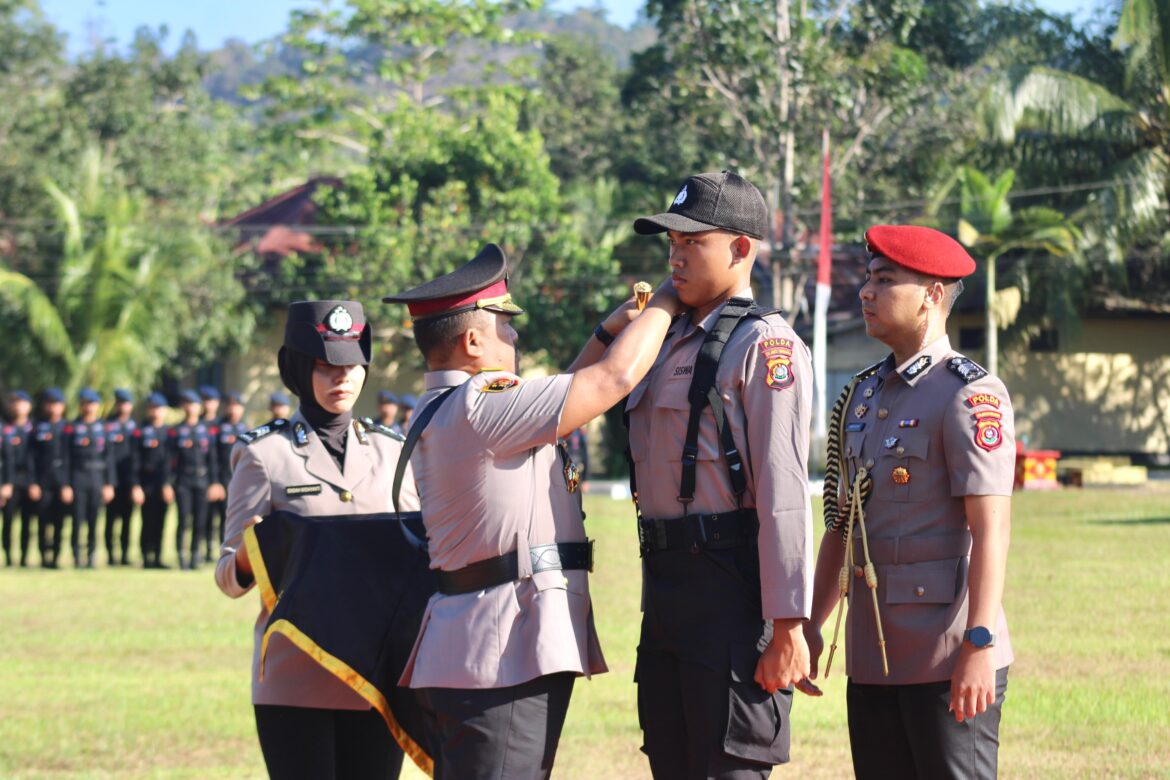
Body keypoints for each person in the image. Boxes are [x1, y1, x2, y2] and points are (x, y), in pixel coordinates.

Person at [384, 243, 682, 779]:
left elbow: (561, 405)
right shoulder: (484, 402)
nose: (515, 336)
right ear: (473, 340)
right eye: (504, 323)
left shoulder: (454, 404)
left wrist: (606, 331)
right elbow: (611, 381)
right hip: (504, 654)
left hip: (484, 647)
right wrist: (667, 299)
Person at [803, 225, 1015, 779]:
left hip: (949, 650)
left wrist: (980, 643)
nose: (866, 292)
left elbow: (991, 529)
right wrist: (810, 624)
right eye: (868, 279)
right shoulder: (861, 394)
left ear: (933, 294)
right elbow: (841, 526)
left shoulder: (969, 393)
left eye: (886, 280)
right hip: (874, 654)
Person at [625, 170, 815, 778]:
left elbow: (784, 491)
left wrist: (788, 625)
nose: (674, 257)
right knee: (671, 762)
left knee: (728, 766)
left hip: (731, 588)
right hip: (665, 586)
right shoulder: (661, 337)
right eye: (670, 245)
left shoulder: (764, 344)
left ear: (740, 248)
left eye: (691, 243)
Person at [215, 299, 421, 780]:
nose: (342, 379)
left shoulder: (392, 452)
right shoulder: (264, 455)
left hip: (376, 676)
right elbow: (228, 576)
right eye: (327, 367)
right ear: (299, 370)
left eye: (351, 366)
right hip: (295, 677)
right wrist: (258, 549)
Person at [170, 390, 223, 570]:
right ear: (183, 406)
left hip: (202, 480)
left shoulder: (206, 431)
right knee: (184, 519)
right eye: (187, 404)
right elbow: (169, 461)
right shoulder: (176, 430)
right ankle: (181, 555)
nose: (190, 407)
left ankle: (195, 555)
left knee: (200, 521)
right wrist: (168, 484)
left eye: (193, 404)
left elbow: (213, 460)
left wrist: (214, 483)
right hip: (183, 481)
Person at [64, 388, 116, 568]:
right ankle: (77, 555)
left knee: (94, 519)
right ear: (80, 405)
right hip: (78, 477)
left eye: (92, 404)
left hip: (97, 477)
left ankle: (92, 554)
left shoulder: (103, 428)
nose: (89, 407)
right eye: (85, 403)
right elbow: (66, 458)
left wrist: (109, 484)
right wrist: (66, 485)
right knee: (77, 519)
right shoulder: (71, 428)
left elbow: (109, 459)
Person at [29, 388, 70, 568]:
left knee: (59, 521)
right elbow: (31, 457)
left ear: (62, 406)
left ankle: (56, 556)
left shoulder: (68, 428)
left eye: (56, 404)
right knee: (43, 520)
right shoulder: (37, 427)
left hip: (61, 483)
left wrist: (67, 484)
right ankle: (43, 556)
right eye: (50, 403)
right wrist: (33, 482)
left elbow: (71, 458)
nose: (53, 407)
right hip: (43, 482)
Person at [134, 393, 174, 569]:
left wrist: (168, 484)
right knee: (147, 520)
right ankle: (146, 557)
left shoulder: (169, 433)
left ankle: (158, 557)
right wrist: (136, 485)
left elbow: (172, 461)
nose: (156, 411)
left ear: (164, 410)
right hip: (146, 483)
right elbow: (134, 461)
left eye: (159, 408)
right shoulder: (140, 431)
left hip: (163, 483)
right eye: (152, 408)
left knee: (161, 521)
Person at [212, 391, 248, 554]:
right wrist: (215, 482)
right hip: (222, 478)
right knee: (220, 516)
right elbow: (213, 457)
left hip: (240, 480)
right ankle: (217, 550)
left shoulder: (246, 429)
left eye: (237, 406)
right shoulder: (218, 428)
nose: (233, 410)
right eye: (231, 406)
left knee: (237, 518)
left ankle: (235, 549)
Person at [2, 390, 35, 567]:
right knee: (7, 521)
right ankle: (8, 557)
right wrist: (4, 483)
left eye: (21, 402)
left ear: (29, 406)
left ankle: (24, 558)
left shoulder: (36, 428)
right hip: (9, 483)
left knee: (27, 522)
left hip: (29, 483)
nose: (17, 406)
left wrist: (34, 482)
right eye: (14, 402)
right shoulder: (4, 428)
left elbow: (39, 460)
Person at [105, 388, 138, 565]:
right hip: (112, 481)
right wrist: (108, 482)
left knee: (127, 519)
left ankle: (125, 555)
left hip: (128, 481)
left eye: (126, 403)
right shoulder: (107, 425)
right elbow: (106, 456)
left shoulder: (135, 427)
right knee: (111, 519)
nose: (123, 406)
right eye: (120, 403)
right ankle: (110, 555)